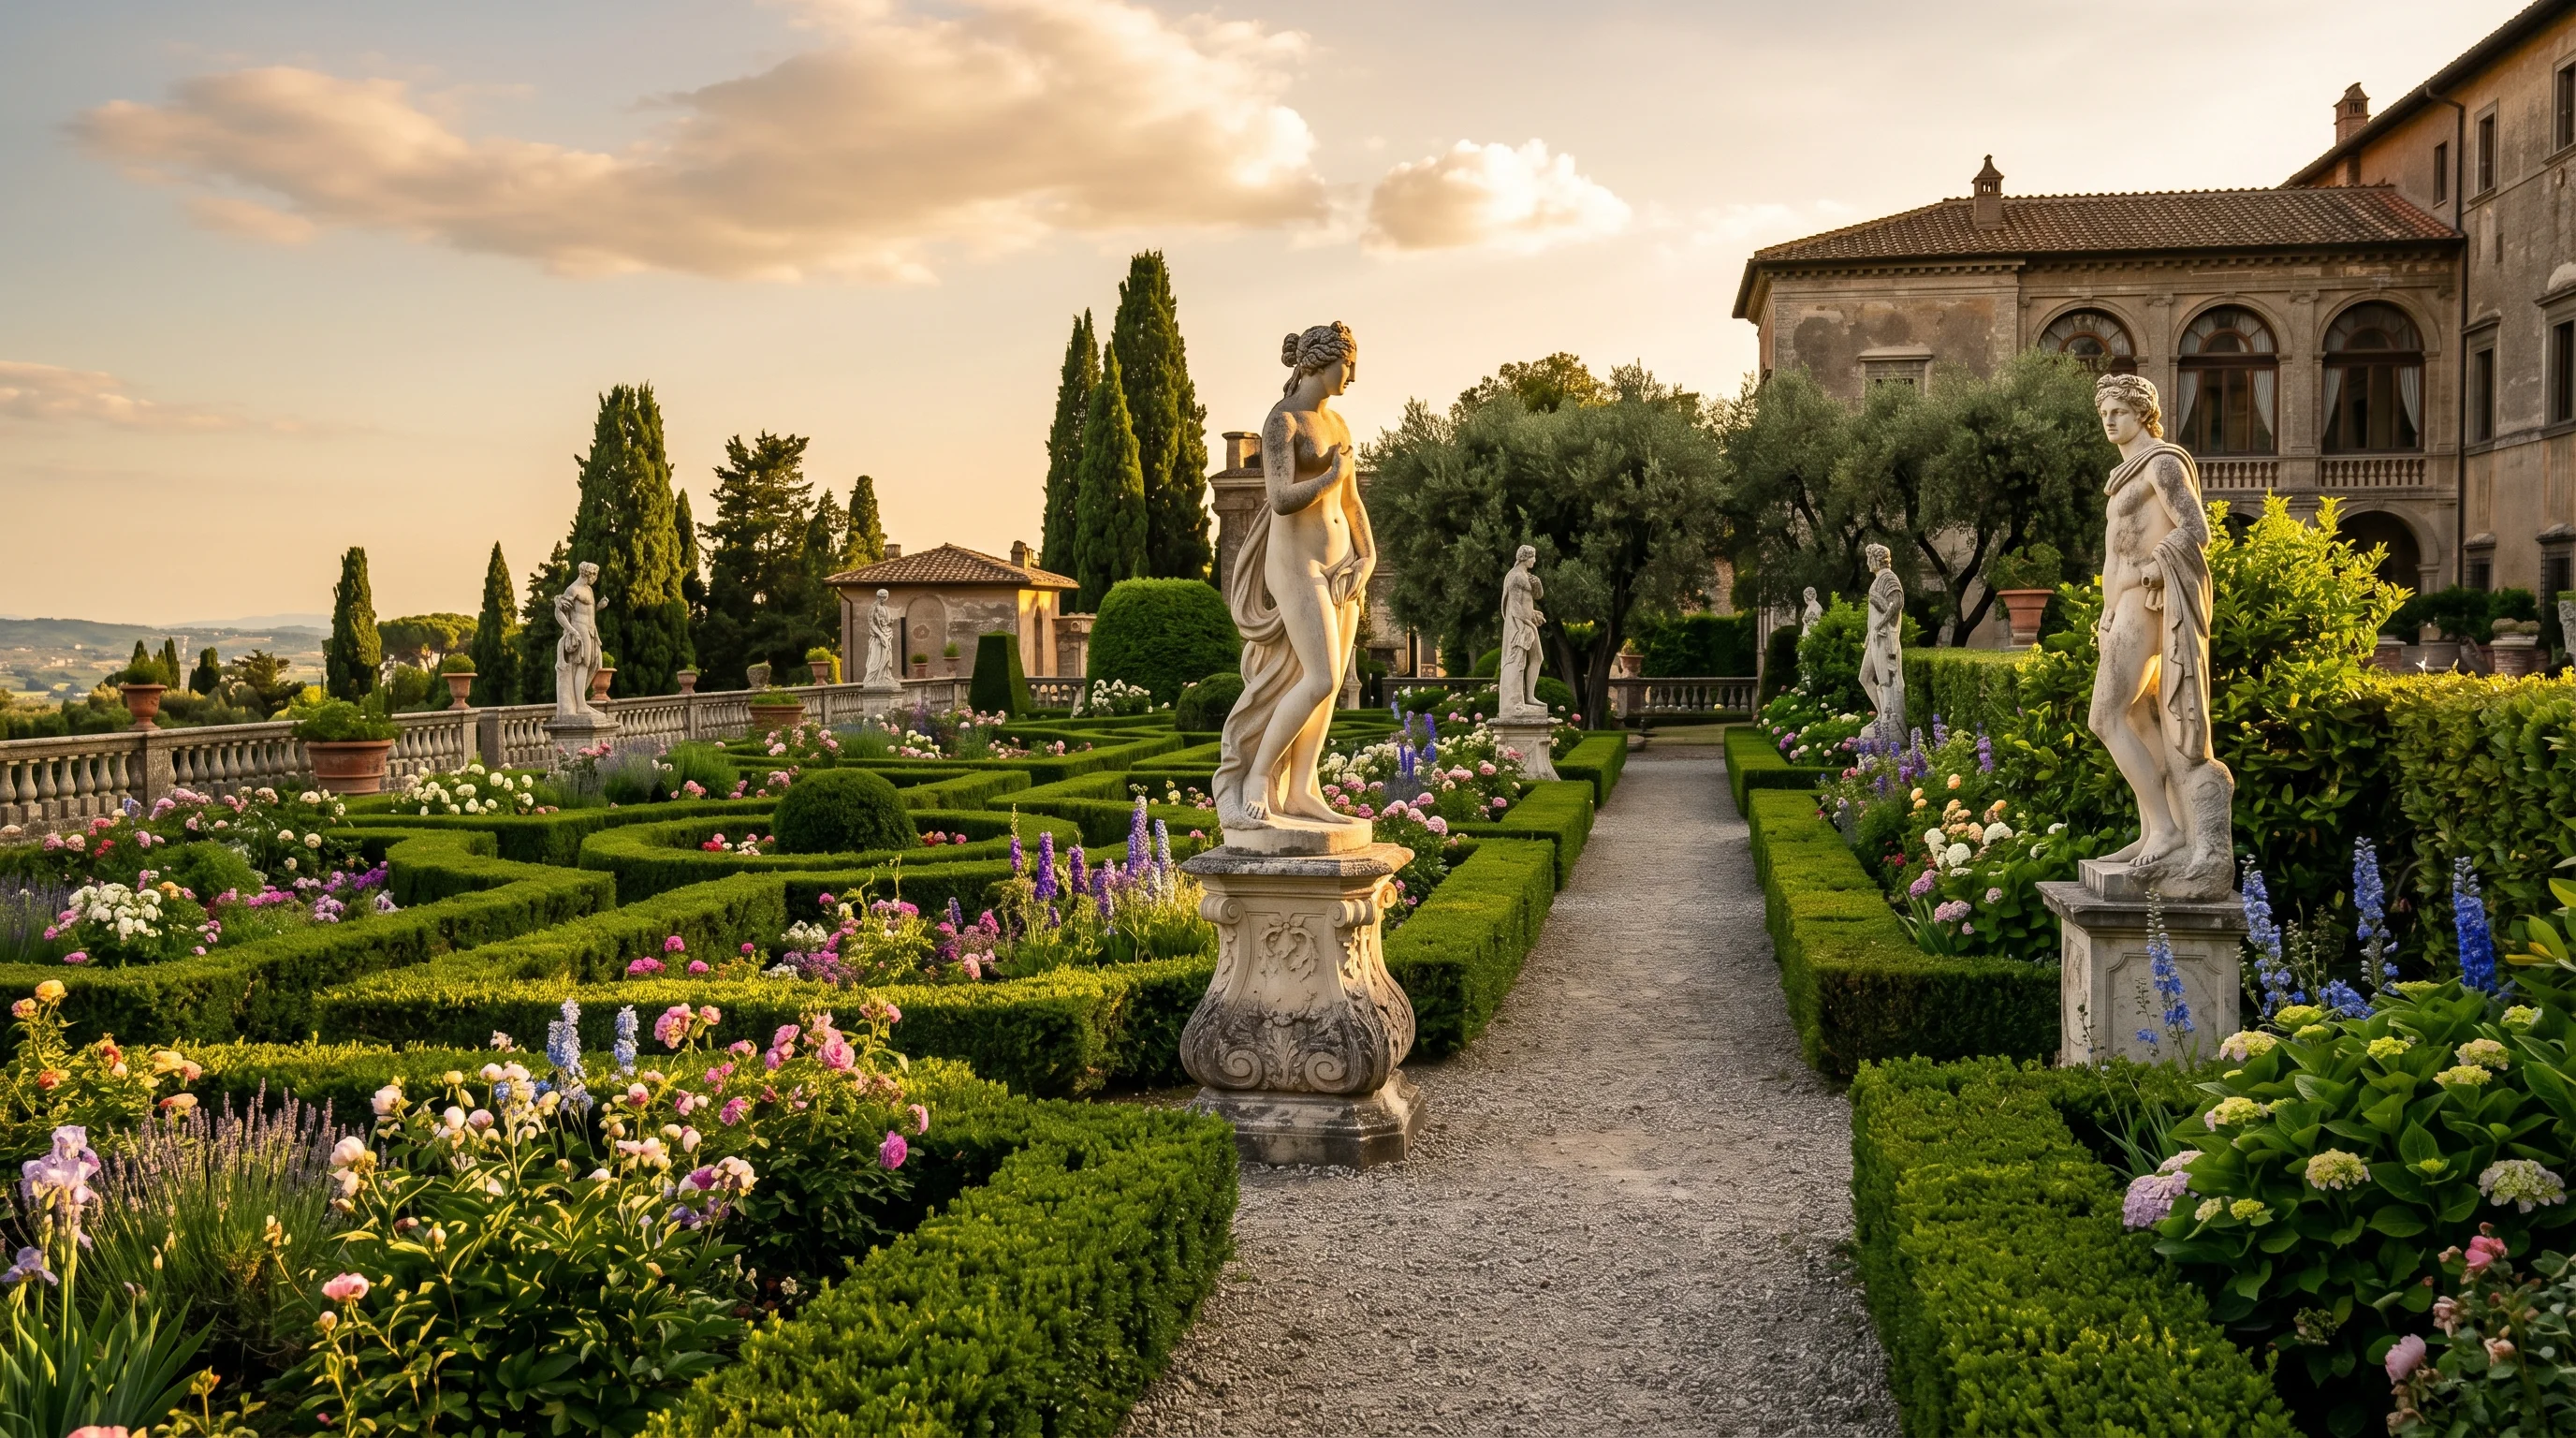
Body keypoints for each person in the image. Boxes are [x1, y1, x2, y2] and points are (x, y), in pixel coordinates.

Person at [1214, 321, 1376, 840]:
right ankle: (1258, 776)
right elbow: (1282, 498)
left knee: (1326, 690)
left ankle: (1303, 789)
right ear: (1320, 362)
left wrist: (1367, 558)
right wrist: (1329, 474)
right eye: (1346, 364)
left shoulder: (1341, 426)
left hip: (1342, 569)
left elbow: (1352, 504)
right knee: (1322, 677)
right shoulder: (1282, 422)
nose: (1351, 374)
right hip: (1297, 565)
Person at [2090, 373, 2233, 899]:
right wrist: (2106, 613)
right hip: (2122, 605)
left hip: (2148, 598)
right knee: (2136, 715)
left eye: (2118, 412)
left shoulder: (2163, 464)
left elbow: (2196, 530)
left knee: (2103, 715)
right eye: (2104, 412)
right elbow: (2112, 553)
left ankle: (2169, 828)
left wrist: (2153, 571)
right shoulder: (2123, 475)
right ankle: (2156, 828)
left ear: (2142, 414)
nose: (2109, 420)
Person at [1500, 545, 1545, 717]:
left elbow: (1536, 596)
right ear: (1525, 557)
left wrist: (1533, 613)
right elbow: (1515, 605)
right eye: (1533, 557)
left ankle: (1529, 697)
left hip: (1525, 622)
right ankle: (1519, 701)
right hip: (1520, 625)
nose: (1534, 560)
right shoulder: (1516, 576)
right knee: (1521, 661)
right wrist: (1523, 624)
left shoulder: (1524, 575)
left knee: (1536, 658)